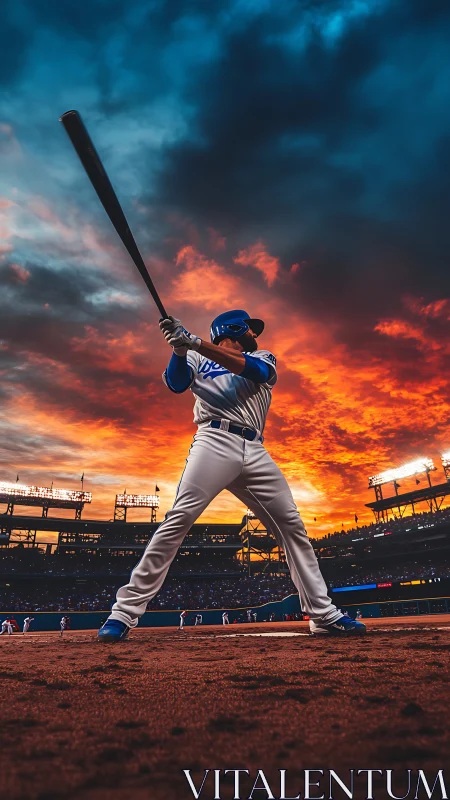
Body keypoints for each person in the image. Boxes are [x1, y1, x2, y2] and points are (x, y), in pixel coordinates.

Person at [98, 310, 366, 641]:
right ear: (235, 329)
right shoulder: (195, 356)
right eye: (250, 328)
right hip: (213, 441)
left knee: (292, 528)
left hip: (255, 448)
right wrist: (179, 350)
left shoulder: (262, 356)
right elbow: (177, 384)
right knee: (178, 519)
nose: (255, 334)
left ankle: (323, 615)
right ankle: (123, 613)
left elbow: (254, 371)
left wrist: (193, 341)